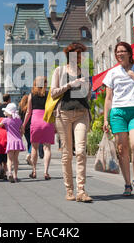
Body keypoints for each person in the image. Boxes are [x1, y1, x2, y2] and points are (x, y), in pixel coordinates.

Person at [102, 42, 134, 196]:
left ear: (129, 53)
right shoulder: (111, 73)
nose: (120, 54)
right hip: (118, 113)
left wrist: (132, 75)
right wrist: (105, 119)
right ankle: (128, 184)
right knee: (122, 149)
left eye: (123, 51)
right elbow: (108, 98)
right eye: (117, 52)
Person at [51, 42, 93, 202]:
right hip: (63, 114)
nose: (80, 57)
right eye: (77, 54)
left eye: (82, 54)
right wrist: (70, 85)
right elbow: (53, 93)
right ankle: (69, 190)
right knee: (67, 153)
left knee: (81, 151)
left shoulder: (84, 72)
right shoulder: (60, 71)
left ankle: (81, 191)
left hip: (82, 112)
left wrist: (85, 87)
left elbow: (88, 95)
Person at [21, 76, 55, 180]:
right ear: (45, 83)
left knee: (34, 147)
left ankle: (34, 171)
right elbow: (52, 109)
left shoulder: (31, 95)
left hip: (35, 121)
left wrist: (23, 125)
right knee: (47, 148)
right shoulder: (49, 94)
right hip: (47, 121)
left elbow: (28, 111)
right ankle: (46, 172)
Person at [0, 103, 25, 183]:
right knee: (16, 160)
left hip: (11, 142)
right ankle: (15, 176)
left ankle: (9, 173)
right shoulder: (19, 120)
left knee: (9, 159)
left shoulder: (6, 120)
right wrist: (20, 135)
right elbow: (22, 131)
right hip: (18, 142)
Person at [18, 95, 32, 165]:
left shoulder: (21, 108)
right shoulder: (30, 107)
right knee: (32, 142)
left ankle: (29, 154)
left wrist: (20, 127)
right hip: (31, 125)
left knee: (28, 142)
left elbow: (19, 118)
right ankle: (29, 153)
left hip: (24, 126)